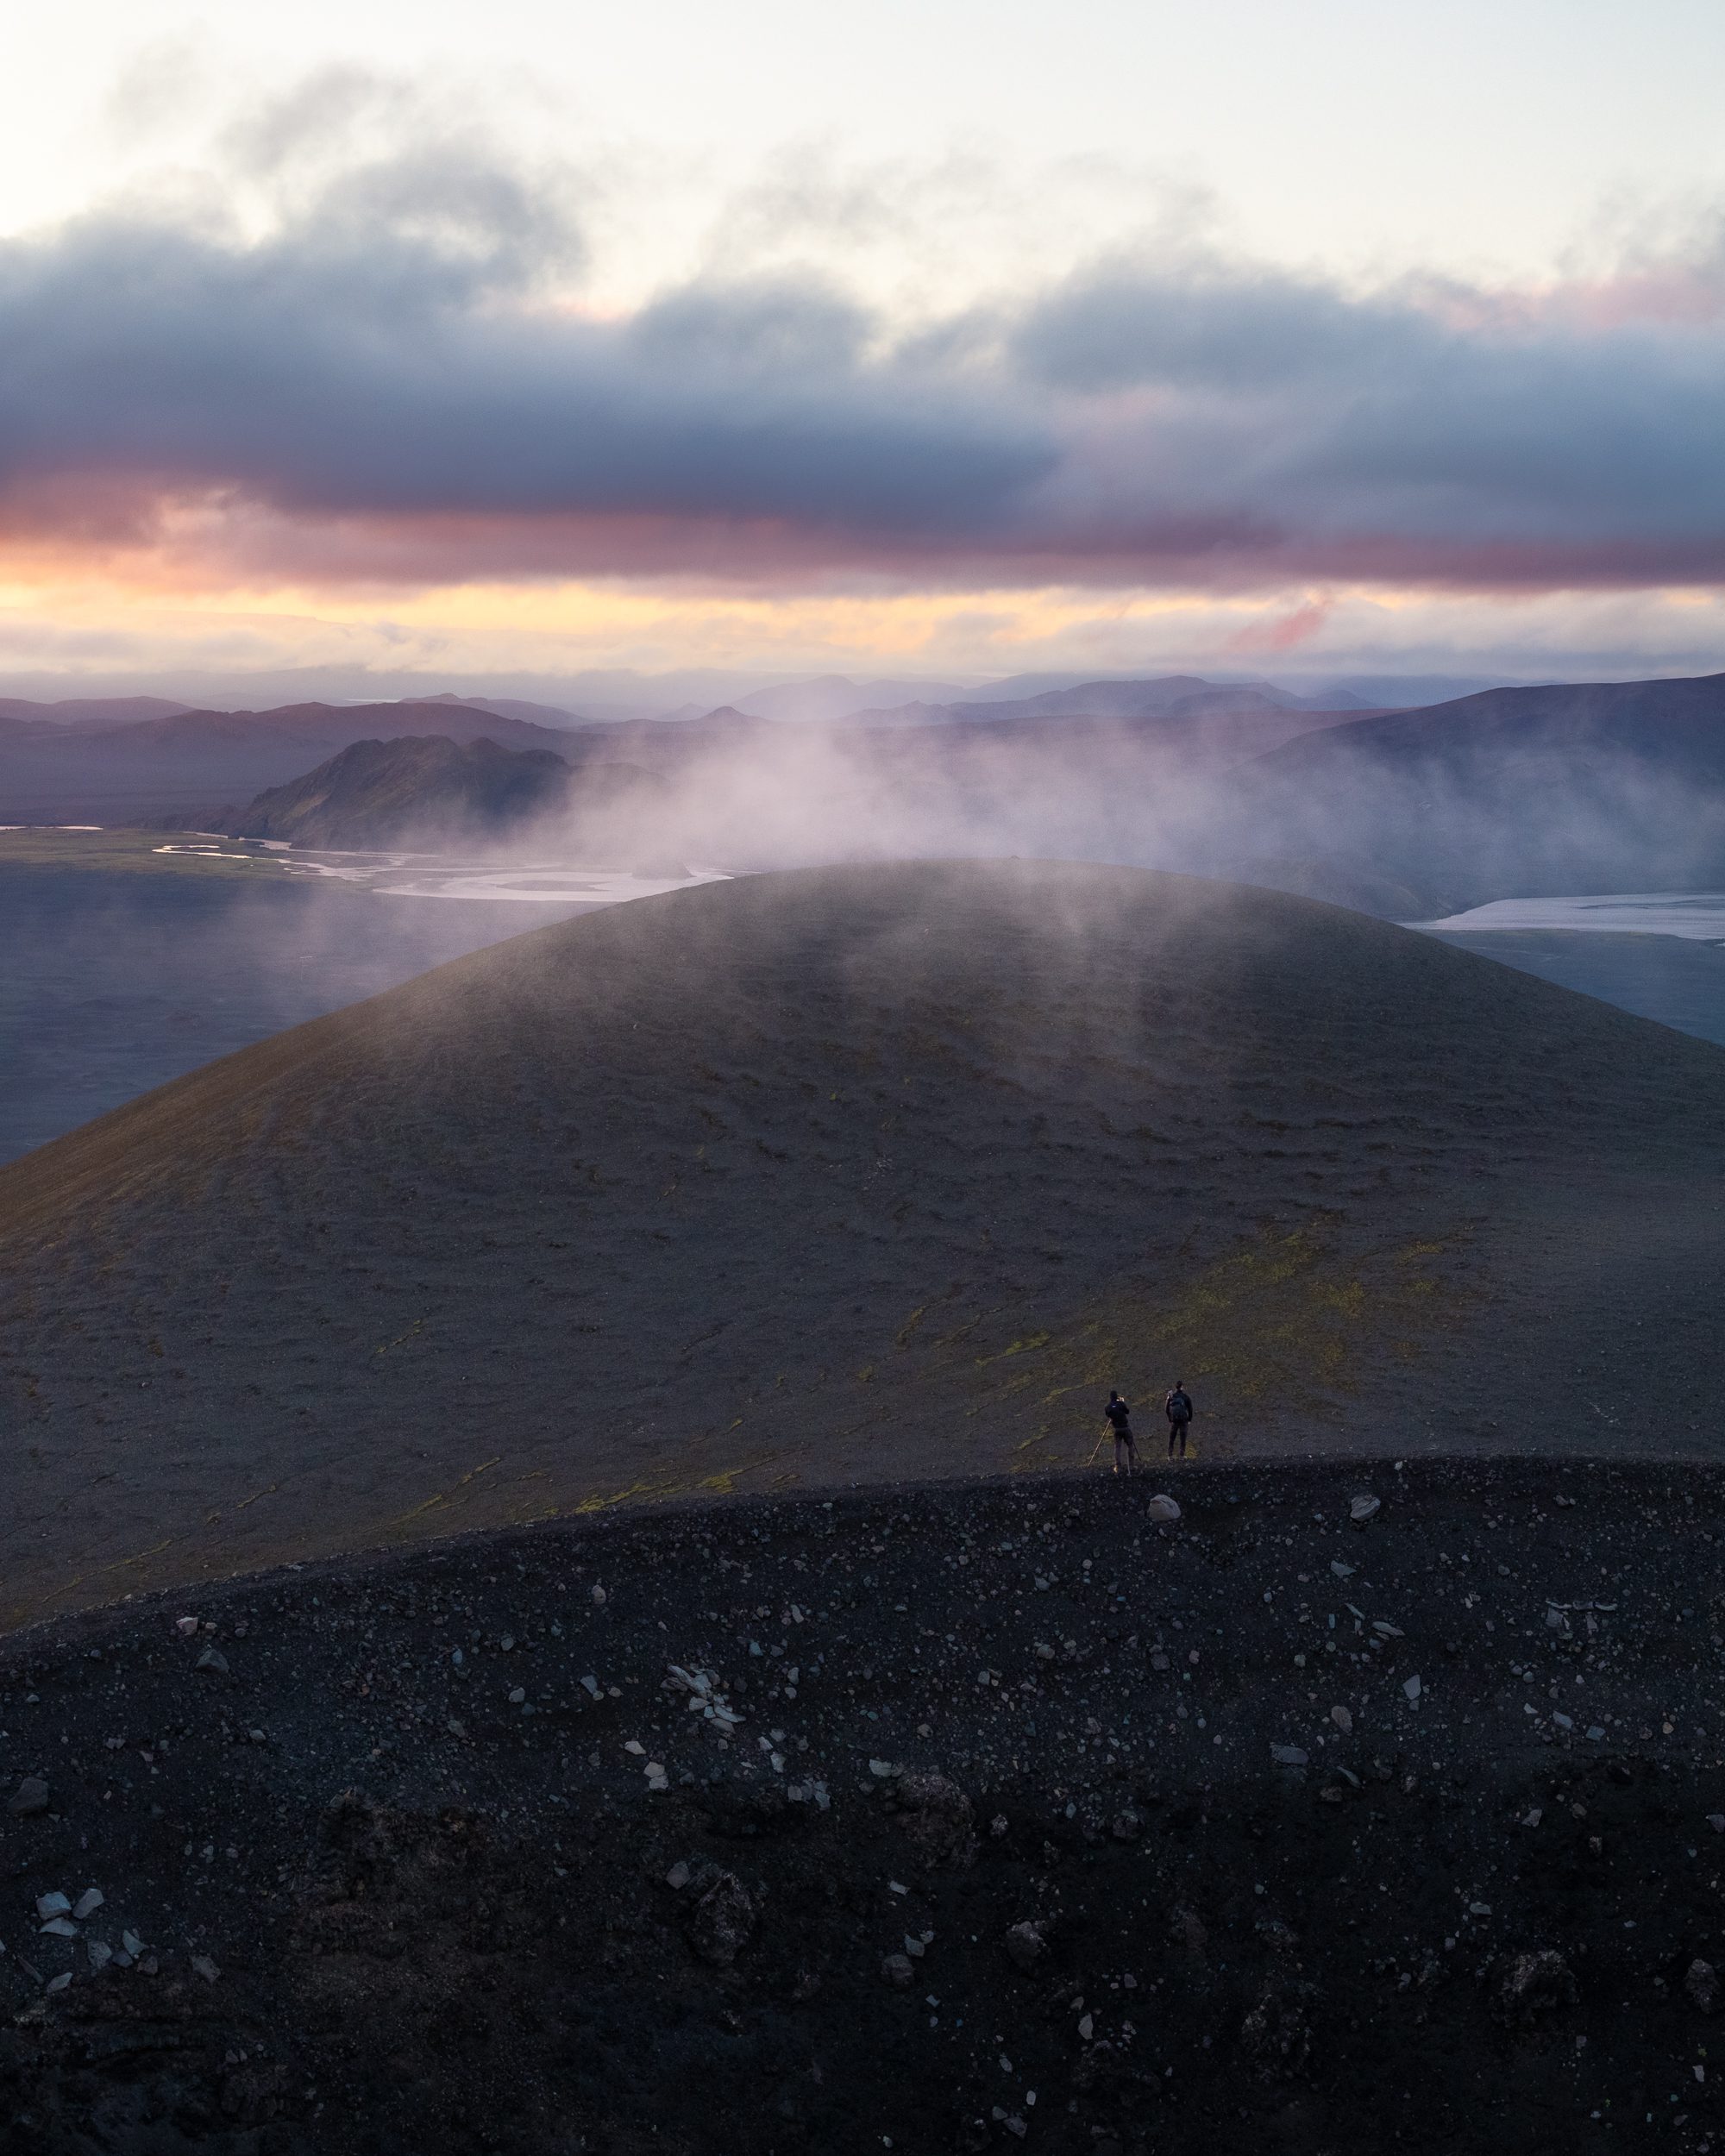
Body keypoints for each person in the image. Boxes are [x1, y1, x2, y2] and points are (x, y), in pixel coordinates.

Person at [1104, 1390, 1137, 1476]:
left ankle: (1118, 1467)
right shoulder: (1121, 1404)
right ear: (1117, 1397)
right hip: (1125, 1428)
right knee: (1130, 1445)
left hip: (1116, 1429)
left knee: (1117, 1447)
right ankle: (1131, 1467)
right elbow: (1127, 1412)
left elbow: (1108, 1415)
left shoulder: (1108, 1407)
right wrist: (1122, 1402)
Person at [1164, 1381, 1194, 1459]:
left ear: (1176, 1387)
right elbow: (1190, 1409)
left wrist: (1170, 1418)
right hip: (1183, 1421)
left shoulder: (1171, 1396)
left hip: (1174, 1421)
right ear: (1182, 1387)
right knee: (1183, 1438)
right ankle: (1181, 1455)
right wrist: (1189, 1420)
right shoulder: (1186, 1397)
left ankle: (1170, 1455)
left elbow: (1166, 1409)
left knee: (1172, 1438)